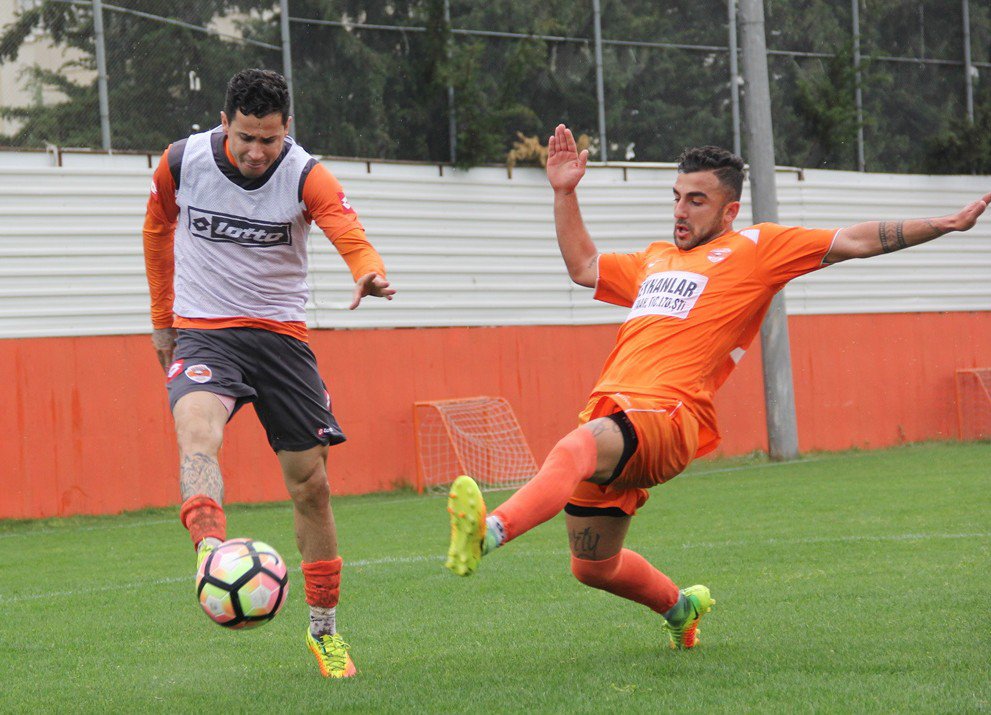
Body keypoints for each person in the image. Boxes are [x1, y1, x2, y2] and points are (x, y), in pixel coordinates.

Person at [446, 123, 990, 650]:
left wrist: (941, 225)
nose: (681, 211)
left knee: (573, 449)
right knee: (592, 566)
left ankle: (489, 532)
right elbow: (584, 264)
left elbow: (854, 239)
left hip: (671, 418)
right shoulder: (654, 258)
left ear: (730, 210)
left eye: (697, 200)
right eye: (677, 197)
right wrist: (565, 193)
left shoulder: (758, 248)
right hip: (616, 412)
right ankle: (681, 608)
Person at [143, 68, 394, 678]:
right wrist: (162, 319)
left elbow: (342, 225)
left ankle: (325, 631)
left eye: (270, 140)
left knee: (311, 485)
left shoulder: (306, 173)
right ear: (224, 122)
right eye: (246, 137)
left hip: (281, 338)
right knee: (197, 430)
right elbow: (156, 231)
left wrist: (366, 268)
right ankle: (210, 550)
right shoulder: (181, 162)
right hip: (205, 331)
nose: (257, 152)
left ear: (289, 131)